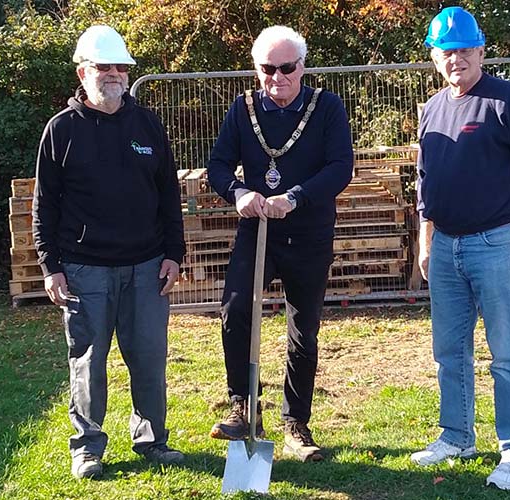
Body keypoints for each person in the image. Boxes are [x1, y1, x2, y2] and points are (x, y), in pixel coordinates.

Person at [410, 7, 510, 491]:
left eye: (464, 49)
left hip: (495, 243)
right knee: (448, 350)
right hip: (446, 247)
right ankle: (456, 435)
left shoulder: (507, 101)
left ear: (481, 50)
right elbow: (425, 182)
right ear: (435, 57)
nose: (456, 59)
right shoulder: (434, 108)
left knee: (506, 353)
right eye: (446, 51)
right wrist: (425, 238)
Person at [32, 25, 186, 480]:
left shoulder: (147, 124)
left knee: (149, 356)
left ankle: (153, 440)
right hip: (84, 270)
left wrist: (174, 252)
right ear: (83, 72)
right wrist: (50, 266)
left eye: (121, 66)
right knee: (87, 361)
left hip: (146, 266)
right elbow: (45, 205)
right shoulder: (60, 130)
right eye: (105, 67)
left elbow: (167, 195)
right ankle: (88, 448)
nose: (115, 74)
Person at [206, 25, 353, 462]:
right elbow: (217, 165)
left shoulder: (326, 108)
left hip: (307, 232)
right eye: (268, 69)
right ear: (257, 70)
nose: (278, 77)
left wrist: (296, 196)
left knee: (303, 329)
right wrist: (239, 193)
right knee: (236, 309)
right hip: (258, 230)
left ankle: (296, 422)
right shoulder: (243, 109)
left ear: (301, 67)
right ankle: (244, 407)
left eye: (286, 68)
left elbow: (340, 167)